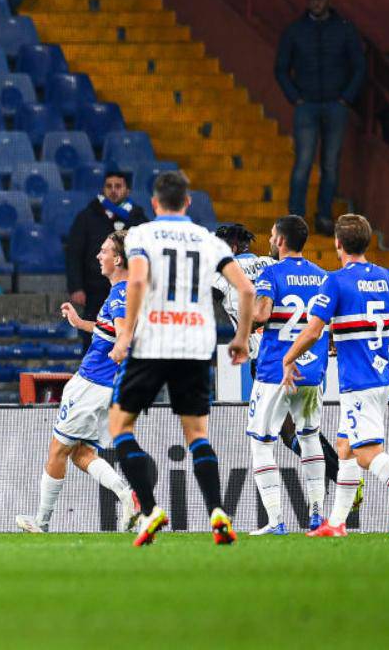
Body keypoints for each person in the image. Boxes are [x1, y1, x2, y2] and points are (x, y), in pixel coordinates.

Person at [107, 171, 253, 547]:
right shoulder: (208, 241)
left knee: (121, 426)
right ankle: (218, 511)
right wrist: (240, 338)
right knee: (197, 435)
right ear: (188, 202)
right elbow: (246, 288)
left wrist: (126, 333)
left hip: (154, 342)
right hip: (195, 344)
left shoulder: (141, 234)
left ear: (155, 203)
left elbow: (137, 282)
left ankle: (151, 509)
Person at [282, 214, 389, 538]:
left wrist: (289, 357)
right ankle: (336, 524)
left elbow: (312, 331)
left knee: (367, 454)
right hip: (379, 377)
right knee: (345, 447)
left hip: (358, 382)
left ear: (338, 243)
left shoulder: (335, 281)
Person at [16, 231, 140, 534]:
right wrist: (79, 323)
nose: (99, 256)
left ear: (119, 259)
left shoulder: (121, 294)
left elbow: (124, 333)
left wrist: (122, 349)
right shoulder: (127, 292)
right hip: (108, 387)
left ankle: (41, 522)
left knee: (58, 449)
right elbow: (110, 330)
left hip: (92, 381)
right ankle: (127, 497)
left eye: (104, 251)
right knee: (82, 453)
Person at [238, 215, 331, 536]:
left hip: (275, 371)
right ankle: (317, 514)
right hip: (312, 371)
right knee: (308, 437)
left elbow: (262, 315)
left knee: (261, 443)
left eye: (272, 235)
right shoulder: (323, 277)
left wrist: (241, 327)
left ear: (279, 240)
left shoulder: (270, 273)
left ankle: (276, 520)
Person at [275, 0, 365, 237]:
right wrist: (296, 98)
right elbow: (280, 68)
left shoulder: (344, 30)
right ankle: (295, 218)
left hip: (336, 105)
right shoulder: (295, 31)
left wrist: (346, 98)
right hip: (307, 106)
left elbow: (359, 67)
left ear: (328, 0)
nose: (317, 2)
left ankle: (324, 216)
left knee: (330, 165)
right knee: (303, 161)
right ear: (307, 0)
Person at [65, 169, 149, 346]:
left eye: (118, 186)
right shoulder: (87, 217)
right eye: (109, 186)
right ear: (103, 189)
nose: (113, 190)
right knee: (95, 340)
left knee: (129, 335)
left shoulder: (139, 218)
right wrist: (76, 286)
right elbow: (74, 253)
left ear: (128, 190)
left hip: (130, 290)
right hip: (94, 291)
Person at [212, 223, 275, 359]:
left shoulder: (226, 270)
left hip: (244, 347)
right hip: (275, 345)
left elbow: (211, 298)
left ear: (233, 248)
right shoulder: (271, 263)